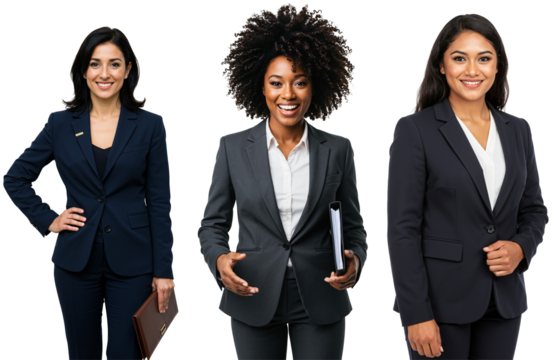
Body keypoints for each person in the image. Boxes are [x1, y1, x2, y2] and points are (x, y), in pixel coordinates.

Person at [198, 3, 367, 359]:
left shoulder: (338, 148)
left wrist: (356, 262)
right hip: (252, 293)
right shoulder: (231, 147)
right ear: (260, 87)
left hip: (322, 297)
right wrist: (218, 261)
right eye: (276, 83)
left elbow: (354, 227)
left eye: (299, 83)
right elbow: (212, 225)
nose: (287, 95)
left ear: (314, 87)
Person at [2, 25, 176, 359]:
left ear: (128, 70)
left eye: (114, 63)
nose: (104, 73)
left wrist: (164, 270)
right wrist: (49, 219)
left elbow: (160, 201)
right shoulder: (60, 123)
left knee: (125, 354)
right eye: (95, 63)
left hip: (134, 263)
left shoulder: (150, 124)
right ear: (83, 71)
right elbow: (15, 177)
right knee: (82, 355)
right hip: (75, 263)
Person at [387, 12, 549, 359]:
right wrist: (416, 313)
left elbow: (534, 208)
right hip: (440, 305)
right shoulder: (416, 130)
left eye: (484, 58)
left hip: (504, 301)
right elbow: (402, 229)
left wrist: (521, 248)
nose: (472, 70)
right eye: (460, 58)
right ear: (442, 66)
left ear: (497, 66)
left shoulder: (518, 129)